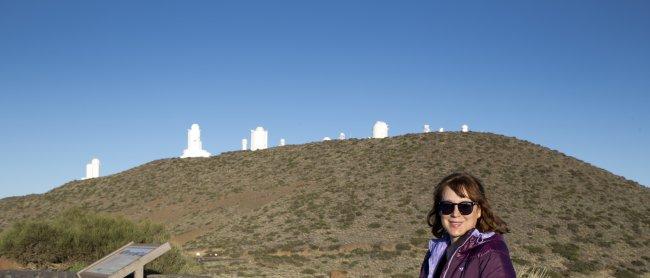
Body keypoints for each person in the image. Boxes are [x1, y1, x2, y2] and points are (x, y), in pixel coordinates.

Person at [419, 172, 516, 278]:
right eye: (447, 206)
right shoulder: (435, 252)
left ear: (479, 210)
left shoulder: (490, 254)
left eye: (465, 207)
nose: (455, 214)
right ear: (439, 210)